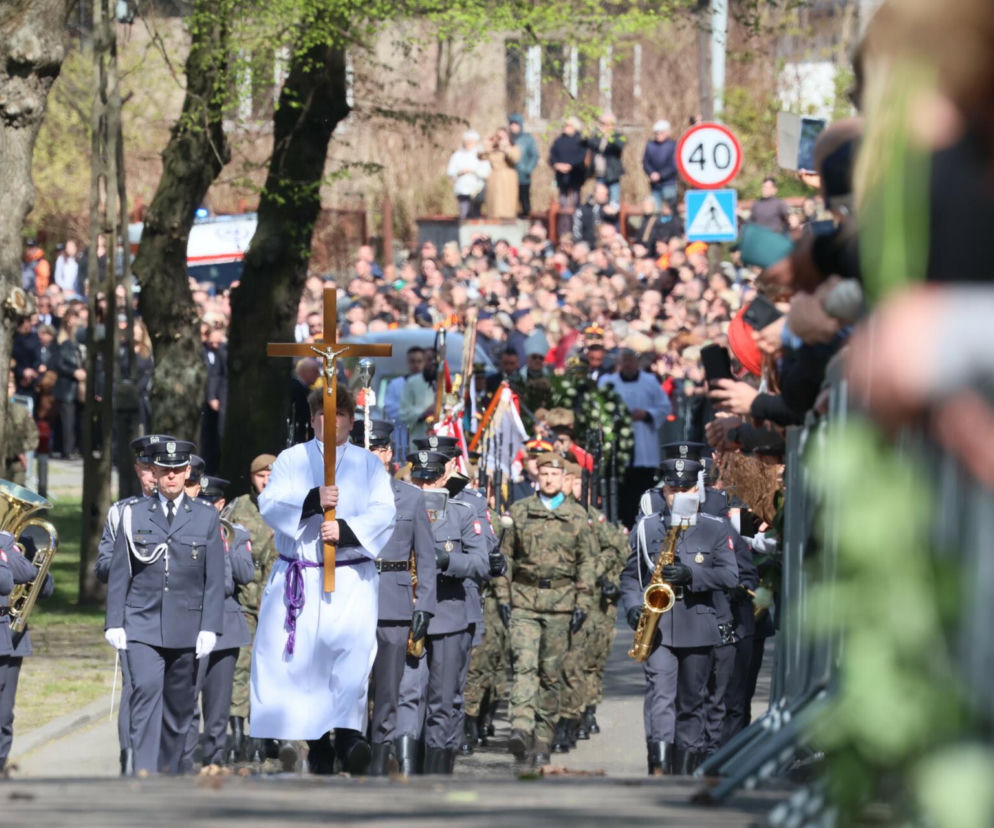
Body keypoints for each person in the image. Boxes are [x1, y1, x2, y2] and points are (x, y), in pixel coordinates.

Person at [250, 387, 396, 775]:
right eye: (322, 416)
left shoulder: (369, 465)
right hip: (303, 575)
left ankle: (348, 734)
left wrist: (346, 531)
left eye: (341, 416)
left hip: (350, 577)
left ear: (350, 420)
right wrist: (312, 500)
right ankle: (315, 742)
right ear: (312, 420)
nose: (331, 424)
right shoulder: (291, 460)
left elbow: (385, 512)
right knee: (306, 660)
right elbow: (271, 504)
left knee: (349, 654)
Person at [104, 438, 226, 776]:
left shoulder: (204, 517)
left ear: (187, 472)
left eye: (177, 471)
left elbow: (214, 577)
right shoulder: (132, 514)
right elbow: (120, 572)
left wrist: (209, 626)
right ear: (153, 472)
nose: (171, 477)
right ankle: (142, 773)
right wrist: (114, 621)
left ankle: (169, 774)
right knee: (144, 692)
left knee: (179, 707)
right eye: (164, 470)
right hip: (141, 622)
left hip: (188, 626)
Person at [621, 456, 738, 776]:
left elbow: (730, 576)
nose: (680, 496)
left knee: (692, 700)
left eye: (687, 489)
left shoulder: (715, 527)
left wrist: (692, 576)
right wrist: (633, 606)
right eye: (673, 490)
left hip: (698, 623)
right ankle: (658, 765)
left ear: (697, 491)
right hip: (658, 627)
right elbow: (631, 575)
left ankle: (685, 768)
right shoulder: (647, 526)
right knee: (660, 694)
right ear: (664, 492)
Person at [496, 453, 596, 768]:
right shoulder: (519, 511)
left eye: (555, 473)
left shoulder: (576, 515)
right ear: (537, 476)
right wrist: (502, 595)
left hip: (562, 604)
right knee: (524, 666)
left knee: (551, 675)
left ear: (562, 476)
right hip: (524, 600)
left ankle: (542, 737)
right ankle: (521, 728)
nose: (550, 478)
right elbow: (505, 558)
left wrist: (583, 603)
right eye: (545, 473)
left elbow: (587, 563)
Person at [393, 448, 488, 775]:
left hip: (448, 614)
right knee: (407, 694)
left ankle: (437, 770)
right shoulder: (396, 510)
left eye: (431, 478)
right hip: (409, 612)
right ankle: (406, 768)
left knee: (443, 700)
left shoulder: (462, 512)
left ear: (444, 477)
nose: (424, 485)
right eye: (419, 479)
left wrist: (448, 561)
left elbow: (481, 563)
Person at [353, 418, 437, 776]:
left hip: (395, 600)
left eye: (378, 448)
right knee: (350, 687)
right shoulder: (341, 495)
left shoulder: (411, 496)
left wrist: (426, 606)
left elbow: (427, 557)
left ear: (388, 453)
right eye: (364, 448)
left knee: (388, 690)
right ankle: (349, 753)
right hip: (352, 598)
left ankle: (379, 757)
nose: (372, 454)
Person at [95, 434, 168, 775]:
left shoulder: (189, 511)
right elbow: (103, 564)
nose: (153, 476)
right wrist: (130, 561)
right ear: (138, 470)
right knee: (137, 686)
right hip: (135, 614)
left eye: (158, 468)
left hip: (177, 614)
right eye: (145, 468)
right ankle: (131, 756)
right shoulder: (121, 513)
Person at [182, 477, 253, 770]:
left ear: (221, 505)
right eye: (201, 503)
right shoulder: (184, 532)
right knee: (187, 697)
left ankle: (215, 756)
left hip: (225, 624)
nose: (206, 508)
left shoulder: (235, 534)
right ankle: (184, 758)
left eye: (211, 503)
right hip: (190, 622)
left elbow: (245, 575)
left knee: (219, 703)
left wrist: (225, 545)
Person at [226, 453, 278, 764]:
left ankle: (264, 732)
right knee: (240, 667)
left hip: (278, 603)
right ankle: (235, 731)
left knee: (270, 670)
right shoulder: (239, 508)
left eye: (271, 475)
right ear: (252, 478)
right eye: (261, 475)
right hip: (245, 600)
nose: (266, 480)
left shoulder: (289, 507)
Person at [0, 525, 54, 774]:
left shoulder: (24, 541)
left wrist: (10, 551)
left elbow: (44, 586)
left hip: (13, 636)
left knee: (4, 715)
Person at [598, 349, 671, 528]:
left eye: (631, 361)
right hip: (618, 446)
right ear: (620, 363)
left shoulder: (649, 381)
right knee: (621, 493)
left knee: (642, 490)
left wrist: (647, 414)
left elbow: (664, 406)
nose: (629, 365)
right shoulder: (608, 382)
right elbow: (598, 407)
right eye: (625, 361)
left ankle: (644, 526)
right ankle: (620, 526)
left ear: (636, 363)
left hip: (643, 446)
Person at [549, 117, 588, 239]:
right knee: (563, 204)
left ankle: (576, 230)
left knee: (575, 203)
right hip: (561, 177)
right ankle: (564, 231)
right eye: (566, 126)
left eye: (569, 126)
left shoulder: (580, 140)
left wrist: (570, 165)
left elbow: (582, 156)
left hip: (576, 175)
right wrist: (557, 164)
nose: (567, 128)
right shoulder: (559, 140)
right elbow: (552, 156)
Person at [447, 130, 491, 220]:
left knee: (475, 215)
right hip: (462, 190)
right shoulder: (457, 155)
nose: (468, 144)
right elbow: (450, 172)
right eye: (466, 141)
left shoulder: (481, 154)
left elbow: (486, 172)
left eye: (471, 142)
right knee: (464, 215)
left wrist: (472, 171)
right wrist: (460, 172)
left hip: (477, 190)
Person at [585, 112, 626, 207]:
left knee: (614, 202)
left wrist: (608, 136)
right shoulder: (597, 137)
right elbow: (589, 143)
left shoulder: (618, 136)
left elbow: (619, 146)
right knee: (600, 201)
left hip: (612, 175)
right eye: (603, 124)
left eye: (608, 124)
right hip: (600, 174)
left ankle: (613, 220)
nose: (605, 127)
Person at [480, 127, 521, 220]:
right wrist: (488, 142)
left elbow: (515, 159)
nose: (501, 139)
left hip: (508, 178)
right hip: (494, 178)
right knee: (494, 205)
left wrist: (506, 148)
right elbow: (480, 155)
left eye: (503, 136)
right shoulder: (493, 149)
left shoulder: (513, 147)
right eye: (499, 136)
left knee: (507, 205)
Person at [508, 114, 539, 217]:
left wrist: (528, 169)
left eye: (515, 124)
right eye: (511, 124)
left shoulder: (528, 139)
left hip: (523, 176)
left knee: (524, 199)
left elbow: (534, 155)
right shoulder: (507, 139)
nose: (513, 127)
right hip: (509, 176)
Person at [643, 120, 678, 208]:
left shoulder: (673, 146)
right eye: (656, 133)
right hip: (655, 185)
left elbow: (674, 165)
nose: (658, 135)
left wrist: (660, 175)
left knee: (670, 210)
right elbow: (645, 162)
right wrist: (651, 173)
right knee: (656, 211)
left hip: (669, 184)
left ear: (667, 132)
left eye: (661, 132)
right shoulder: (650, 145)